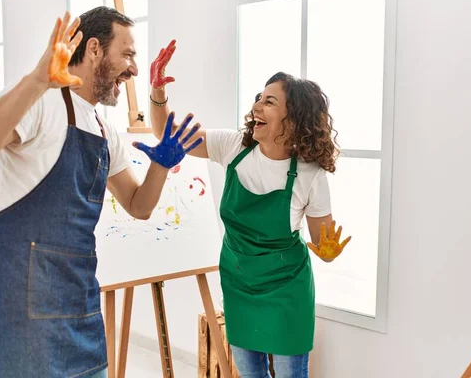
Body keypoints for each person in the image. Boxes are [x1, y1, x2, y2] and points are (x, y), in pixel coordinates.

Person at [0, 8, 202, 377]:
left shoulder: (103, 129)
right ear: (95, 48)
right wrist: (36, 80)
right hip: (23, 307)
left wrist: (161, 165)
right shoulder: (40, 101)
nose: (133, 69)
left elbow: (138, 205)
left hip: (79, 301)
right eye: (127, 54)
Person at [146, 40, 352, 378]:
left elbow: (322, 244)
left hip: (287, 290)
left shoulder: (309, 174)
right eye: (259, 97)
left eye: (269, 101)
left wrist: (328, 252)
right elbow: (165, 133)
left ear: (294, 118)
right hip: (239, 283)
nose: (257, 105)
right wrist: (156, 90)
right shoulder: (234, 146)